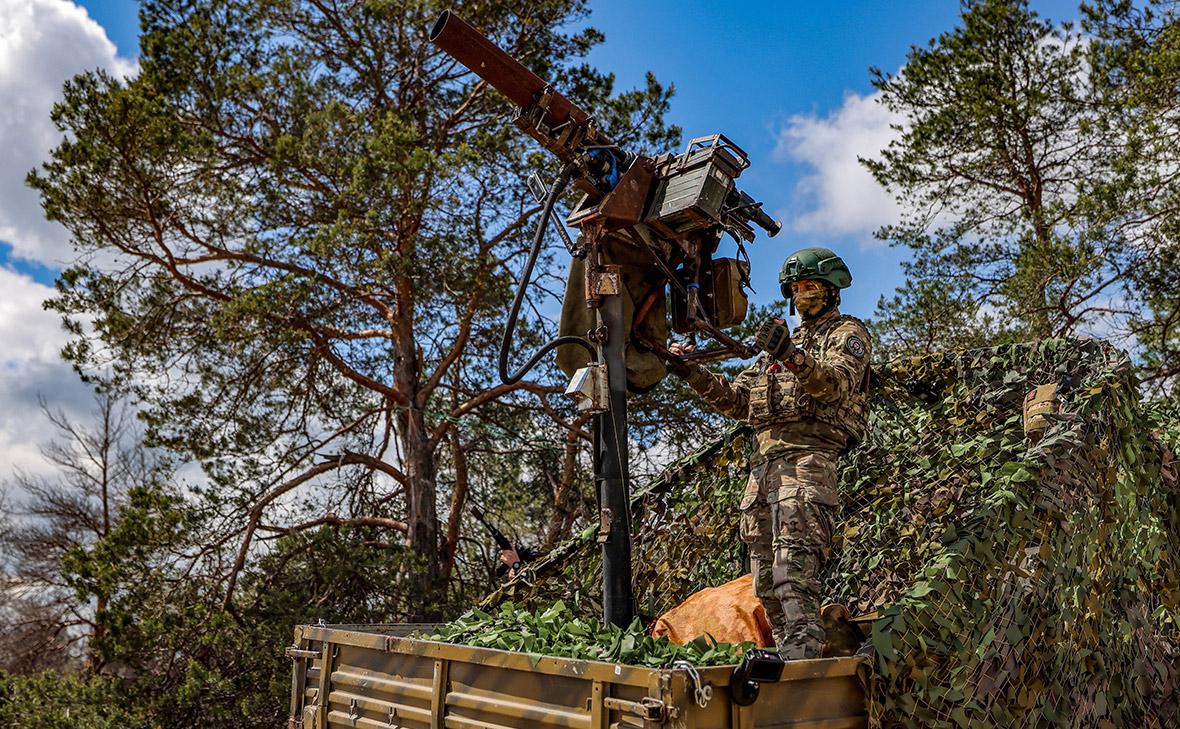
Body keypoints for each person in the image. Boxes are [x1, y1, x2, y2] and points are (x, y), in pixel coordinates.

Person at [669, 247, 871, 659]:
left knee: (792, 572)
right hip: (763, 469)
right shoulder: (775, 349)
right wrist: (691, 372)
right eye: (795, 288)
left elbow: (832, 385)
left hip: (807, 462)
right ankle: (788, 652)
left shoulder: (847, 335)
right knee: (763, 580)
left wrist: (791, 357)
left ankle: (804, 660)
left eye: (810, 285)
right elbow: (738, 401)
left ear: (832, 290)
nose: (802, 294)